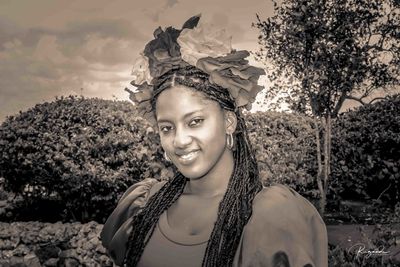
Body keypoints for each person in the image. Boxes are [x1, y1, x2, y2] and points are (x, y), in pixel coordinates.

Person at [100, 15, 328, 267]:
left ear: (229, 122)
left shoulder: (270, 217)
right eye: (167, 127)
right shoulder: (144, 205)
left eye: (195, 121)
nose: (180, 140)